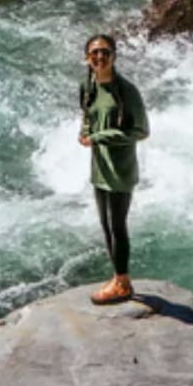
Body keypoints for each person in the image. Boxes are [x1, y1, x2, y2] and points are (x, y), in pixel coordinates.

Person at [78, 34, 149, 305]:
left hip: (121, 169)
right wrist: (85, 132)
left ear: (114, 56)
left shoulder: (127, 91)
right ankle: (118, 277)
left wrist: (100, 137)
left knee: (118, 226)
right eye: (94, 52)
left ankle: (122, 282)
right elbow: (87, 114)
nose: (99, 57)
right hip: (99, 167)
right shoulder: (88, 85)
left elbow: (142, 131)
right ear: (87, 57)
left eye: (104, 52)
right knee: (105, 226)